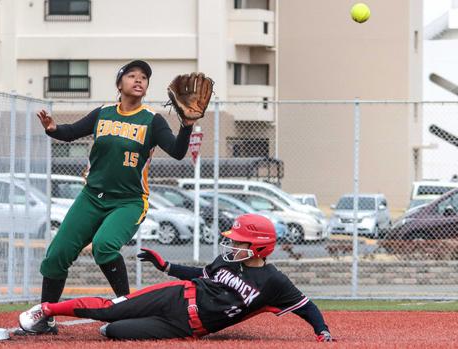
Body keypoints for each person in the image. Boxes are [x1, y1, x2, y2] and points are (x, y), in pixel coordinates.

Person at [25, 60, 196, 335]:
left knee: (104, 245)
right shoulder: (103, 113)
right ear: (119, 84)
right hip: (92, 197)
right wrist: (53, 128)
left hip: (129, 201)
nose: (139, 80)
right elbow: (71, 132)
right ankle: (45, 318)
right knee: (56, 256)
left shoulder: (152, 119)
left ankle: (127, 310)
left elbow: (176, 151)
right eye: (132, 76)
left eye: (144, 77)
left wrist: (186, 125)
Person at [18, 214, 335, 342]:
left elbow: (307, 307)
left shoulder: (274, 282)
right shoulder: (225, 260)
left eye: (240, 241)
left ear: (260, 246)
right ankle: (46, 309)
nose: (232, 244)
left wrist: (322, 332)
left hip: (186, 326)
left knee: (113, 331)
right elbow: (202, 275)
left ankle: (109, 323)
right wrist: (167, 266)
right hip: (177, 295)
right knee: (109, 309)